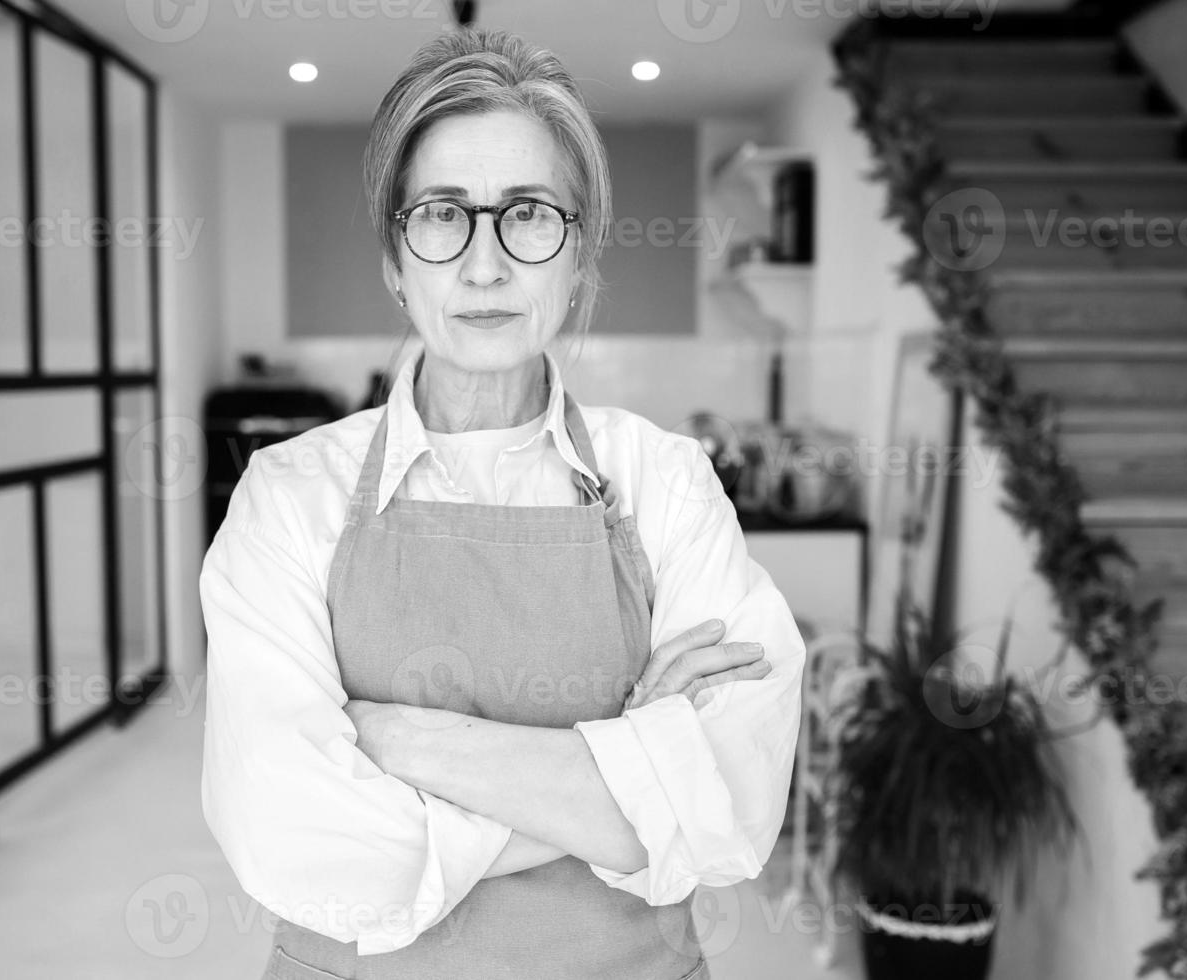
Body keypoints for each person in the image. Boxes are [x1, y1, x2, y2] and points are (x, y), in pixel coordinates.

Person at [199, 27, 806, 980]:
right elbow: (294, 841)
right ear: (396, 262)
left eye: (528, 214)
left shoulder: (668, 483)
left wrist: (401, 742)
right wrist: (626, 767)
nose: (484, 265)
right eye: (442, 215)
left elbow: (729, 806)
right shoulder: (288, 497)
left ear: (578, 263)